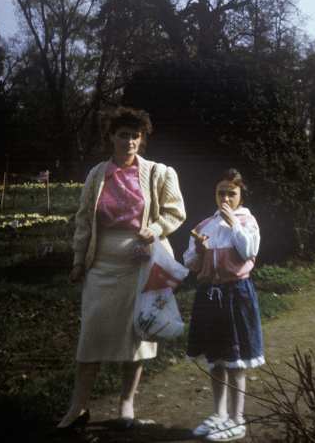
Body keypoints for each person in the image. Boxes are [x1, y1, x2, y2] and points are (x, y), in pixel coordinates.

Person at [56, 106, 186, 432]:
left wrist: (154, 230)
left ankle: (126, 405)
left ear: (142, 140)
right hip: (102, 266)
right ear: (111, 137)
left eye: (135, 136)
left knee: (136, 337)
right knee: (91, 337)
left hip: (142, 267)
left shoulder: (158, 173)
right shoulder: (97, 175)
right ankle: (78, 407)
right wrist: (77, 260)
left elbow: (175, 212)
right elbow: (84, 221)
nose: (129, 141)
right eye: (123, 135)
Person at [184, 169, 265, 442]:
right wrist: (200, 250)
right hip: (209, 295)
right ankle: (219, 415)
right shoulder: (206, 224)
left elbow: (249, 251)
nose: (226, 198)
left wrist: (234, 224)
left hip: (236, 294)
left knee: (236, 359)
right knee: (216, 359)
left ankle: (237, 418)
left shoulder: (248, 221)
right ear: (215, 194)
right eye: (221, 193)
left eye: (232, 193)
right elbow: (190, 264)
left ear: (241, 195)